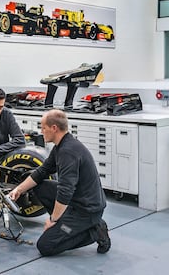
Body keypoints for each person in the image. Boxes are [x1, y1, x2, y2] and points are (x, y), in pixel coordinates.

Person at [8, 109, 111, 256]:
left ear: (54, 128)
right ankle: (67, 223)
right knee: (40, 186)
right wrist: (19, 189)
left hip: (87, 210)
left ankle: (95, 231)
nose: (41, 131)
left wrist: (53, 220)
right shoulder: (61, 146)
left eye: (43, 128)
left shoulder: (67, 152)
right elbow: (42, 171)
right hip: (78, 199)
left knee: (45, 246)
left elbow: (65, 191)